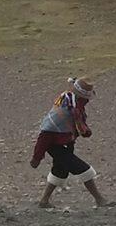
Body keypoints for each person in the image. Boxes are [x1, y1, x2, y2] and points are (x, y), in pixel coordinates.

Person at [32, 76, 111, 208]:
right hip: (56, 146)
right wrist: (37, 157)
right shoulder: (68, 110)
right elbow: (45, 135)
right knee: (83, 169)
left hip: (65, 144)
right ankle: (99, 199)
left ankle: (44, 201)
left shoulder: (69, 105)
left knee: (59, 171)